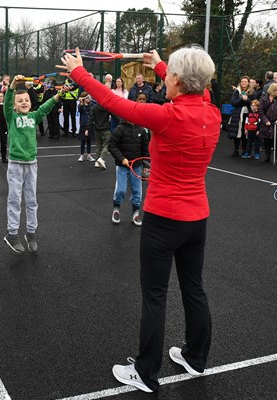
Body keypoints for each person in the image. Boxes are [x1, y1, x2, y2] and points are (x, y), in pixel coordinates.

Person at [59, 46, 219, 393]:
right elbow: (197, 87)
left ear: (177, 80)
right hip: (197, 219)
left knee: (155, 297)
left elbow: (116, 104)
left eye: (170, 76)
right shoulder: (212, 112)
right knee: (193, 288)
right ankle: (196, 357)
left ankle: (146, 373)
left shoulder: (168, 116)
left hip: (163, 219)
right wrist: (161, 65)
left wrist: (79, 73)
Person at [3, 75, 67, 254]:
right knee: (15, 199)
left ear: (30, 102)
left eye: (26, 100)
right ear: (15, 105)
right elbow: (8, 102)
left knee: (32, 200)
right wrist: (12, 87)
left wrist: (57, 95)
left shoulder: (34, 116)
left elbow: (45, 108)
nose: (23, 102)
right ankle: (12, 233)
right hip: (16, 164)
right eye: (20, 101)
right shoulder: (12, 117)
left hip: (32, 164)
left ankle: (31, 232)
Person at [108, 94, 150, 226]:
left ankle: (136, 213)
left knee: (137, 191)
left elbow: (145, 149)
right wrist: (122, 159)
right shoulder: (120, 129)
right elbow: (112, 145)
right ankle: (116, 209)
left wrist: (146, 165)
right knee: (120, 189)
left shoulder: (142, 130)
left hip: (137, 165)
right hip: (122, 165)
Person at [259, 82, 277, 164]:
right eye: (276, 90)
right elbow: (261, 111)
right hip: (266, 124)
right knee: (266, 141)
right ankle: (267, 156)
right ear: (271, 90)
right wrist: (265, 120)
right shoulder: (264, 99)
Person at [225, 76, 252, 157]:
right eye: (242, 81)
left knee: (245, 133)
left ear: (248, 83)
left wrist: (247, 100)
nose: (243, 83)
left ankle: (244, 150)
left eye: (245, 81)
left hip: (247, 115)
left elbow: (254, 103)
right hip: (237, 115)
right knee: (236, 133)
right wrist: (241, 99)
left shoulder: (251, 92)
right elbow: (233, 102)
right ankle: (236, 150)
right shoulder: (237, 92)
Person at [88, 101, 111, 169]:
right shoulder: (107, 107)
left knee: (98, 146)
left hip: (97, 129)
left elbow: (91, 119)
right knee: (107, 145)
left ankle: (97, 162)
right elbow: (115, 116)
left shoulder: (94, 107)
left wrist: (88, 128)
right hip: (106, 129)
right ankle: (101, 158)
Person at [77, 92, 96, 162]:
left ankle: (89, 155)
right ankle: (82, 155)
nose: (89, 99)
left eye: (89, 97)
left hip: (90, 124)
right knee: (83, 140)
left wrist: (90, 99)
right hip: (83, 124)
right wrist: (82, 103)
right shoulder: (80, 105)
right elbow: (80, 110)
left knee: (89, 140)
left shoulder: (92, 104)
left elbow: (96, 104)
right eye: (87, 98)